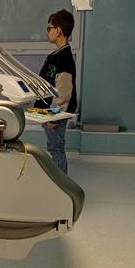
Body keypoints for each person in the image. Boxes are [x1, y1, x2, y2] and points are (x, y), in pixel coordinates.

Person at [36, 9, 77, 174]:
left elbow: (64, 93)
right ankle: (58, 180)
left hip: (55, 112)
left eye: (49, 28)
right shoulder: (57, 55)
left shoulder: (64, 58)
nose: (47, 32)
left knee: (56, 147)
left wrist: (53, 115)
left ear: (58, 30)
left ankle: (60, 184)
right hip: (49, 111)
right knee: (54, 146)